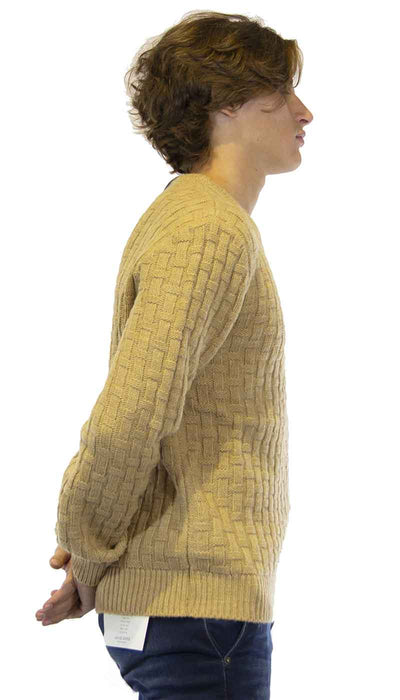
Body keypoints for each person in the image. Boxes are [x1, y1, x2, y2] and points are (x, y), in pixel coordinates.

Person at [36, 10, 313, 699]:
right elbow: (131, 414)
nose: (305, 111)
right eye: (281, 93)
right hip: (197, 613)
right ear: (225, 104)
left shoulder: (195, 219)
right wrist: (88, 549)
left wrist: (94, 555)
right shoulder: (207, 231)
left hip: (190, 610)